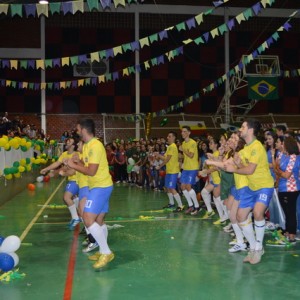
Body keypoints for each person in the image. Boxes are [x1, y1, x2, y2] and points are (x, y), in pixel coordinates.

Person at [224, 119, 274, 264]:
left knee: (258, 213)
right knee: (240, 216)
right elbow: (241, 165)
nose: (241, 129)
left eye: (243, 126)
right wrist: (237, 163)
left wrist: (236, 168)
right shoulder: (245, 149)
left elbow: (250, 170)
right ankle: (253, 247)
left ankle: (258, 248)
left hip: (264, 186)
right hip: (251, 187)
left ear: (250, 130)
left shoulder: (257, 147)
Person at [66, 119, 114, 270]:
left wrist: (73, 165)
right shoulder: (86, 146)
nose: (76, 131)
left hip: (101, 186)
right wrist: (77, 162)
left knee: (87, 218)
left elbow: (91, 171)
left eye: (78, 129)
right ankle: (102, 250)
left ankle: (106, 252)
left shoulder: (95, 145)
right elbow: (86, 167)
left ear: (84, 130)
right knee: (99, 220)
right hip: (97, 186)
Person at [41, 137, 80, 230]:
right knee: (74, 199)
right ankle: (80, 217)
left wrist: (60, 173)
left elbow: (72, 171)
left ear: (73, 145)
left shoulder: (76, 155)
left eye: (69, 141)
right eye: (67, 141)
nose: (67, 142)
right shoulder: (64, 154)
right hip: (72, 180)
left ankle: (76, 218)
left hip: (78, 180)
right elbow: (57, 164)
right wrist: (46, 169)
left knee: (66, 197)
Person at [274, 136, 300, 244]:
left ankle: (292, 235)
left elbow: (286, 175)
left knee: (290, 212)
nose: (282, 145)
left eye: (283, 143)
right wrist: (278, 171)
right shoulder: (282, 155)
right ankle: (288, 232)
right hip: (282, 188)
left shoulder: (294, 157)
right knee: (286, 212)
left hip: (291, 189)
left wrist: (277, 169)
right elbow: (278, 171)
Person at [155, 131, 184, 212]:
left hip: (173, 171)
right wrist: (158, 155)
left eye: (169, 136)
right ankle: (171, 203)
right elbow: (164, 157)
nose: (168, 137)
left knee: (171, 188)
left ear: (174, 137)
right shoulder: (169, 147)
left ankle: (180, 206)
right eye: (167, 136)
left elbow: (167, 159)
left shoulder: (173, 146)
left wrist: (159, 166)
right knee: (167, 188)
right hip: (169, 170)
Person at [179, 126, 201, 215]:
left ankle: (197, 206)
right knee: (182, 187)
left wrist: (182, 149)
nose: (182, 133)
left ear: (189, 133)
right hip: (186, 168)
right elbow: (184, 156)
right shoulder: (183, 143)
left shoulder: (193, 143)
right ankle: (190, 205)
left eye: (184, 131)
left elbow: (191, 155)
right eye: (182, 131)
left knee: (188, 186)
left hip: (193, 167)